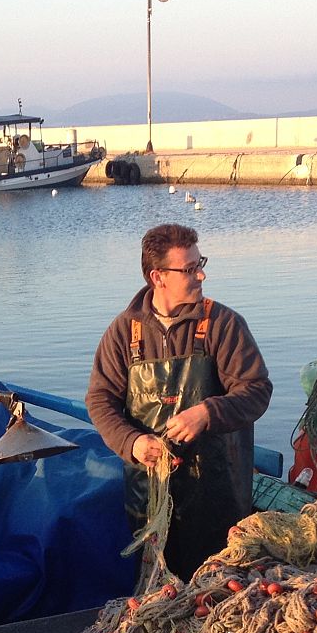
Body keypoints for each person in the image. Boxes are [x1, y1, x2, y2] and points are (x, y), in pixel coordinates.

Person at [86, 223, 273, 579]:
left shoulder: (223, 325)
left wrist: (207, 412)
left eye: (199, 263)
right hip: (150, 501)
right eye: (189, 269)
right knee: (159, 593)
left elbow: (257, 390)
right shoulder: (124, 333)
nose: (201, 274)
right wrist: (132, 442)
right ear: (157, 277)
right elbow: (100, 400)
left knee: (217, 591)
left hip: (217, 500)